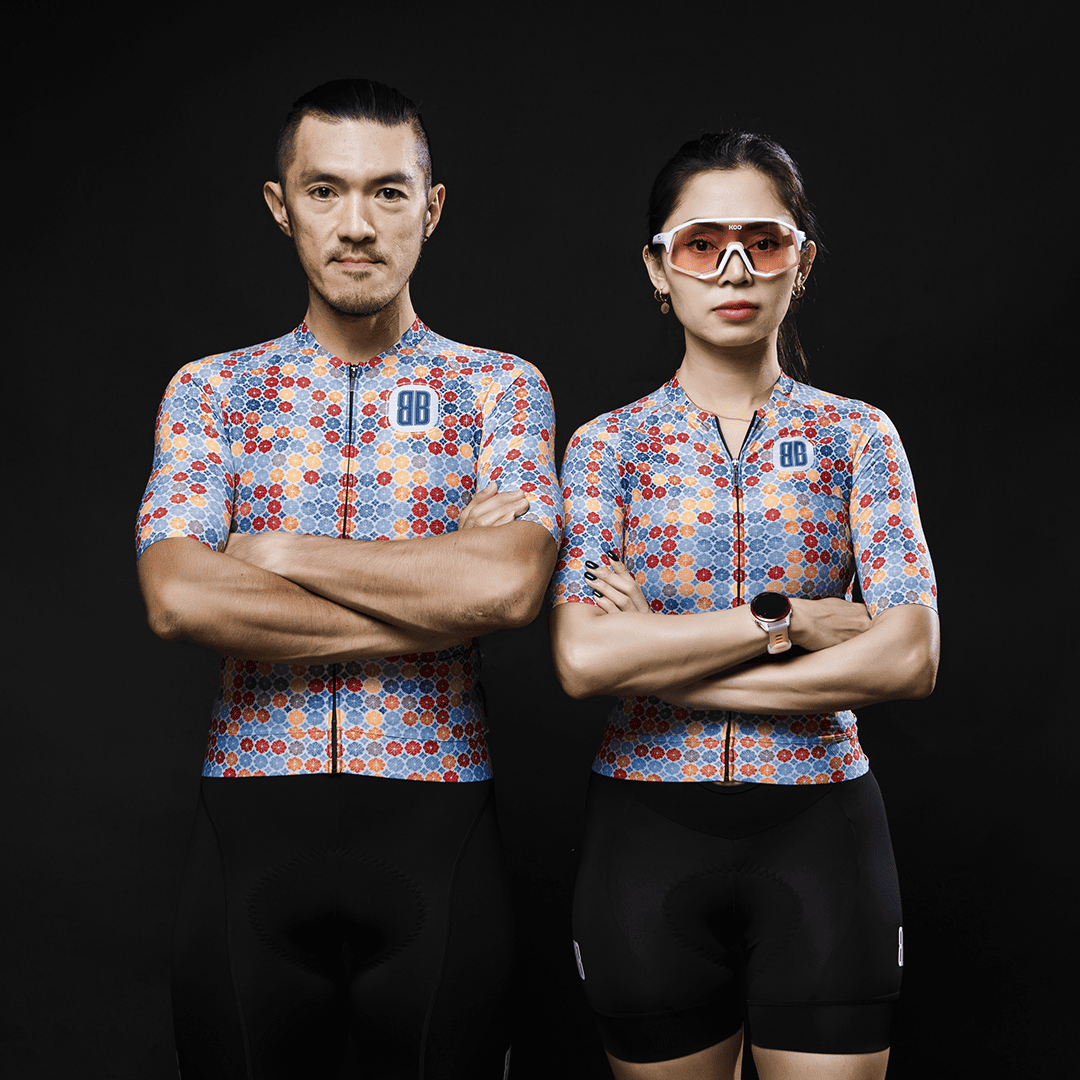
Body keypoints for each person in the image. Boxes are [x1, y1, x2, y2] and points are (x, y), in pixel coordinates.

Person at [135, 79, 559, 1079]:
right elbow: (179, 596)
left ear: (432, 207)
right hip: (250, 836)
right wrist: (435, 603)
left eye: (388, 192)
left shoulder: (501, 388)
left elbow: (506, 589)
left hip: (439, 833)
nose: (357, 225)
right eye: (325, 191)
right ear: (281, 205)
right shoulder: (211, 392)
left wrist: (277, 552)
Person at [549, 132, 938, 1080]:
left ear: (801, 262)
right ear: (659, 268)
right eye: (702, 244)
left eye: (763, 242)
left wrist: (665, 659)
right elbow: (584, 661)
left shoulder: (858, 437)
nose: (734, 269)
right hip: (645, 840)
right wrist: (791, 621)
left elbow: (909, 656)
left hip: (824, 831)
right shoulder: (606, 448)